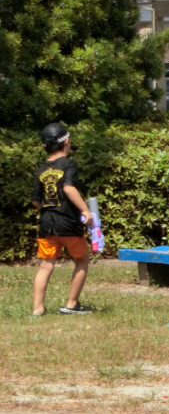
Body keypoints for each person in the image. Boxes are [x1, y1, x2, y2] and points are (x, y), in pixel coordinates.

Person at [31, 123, 94, 316]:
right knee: (82, 260)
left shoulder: (41, 169)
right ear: (66, 141)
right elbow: (68, 188)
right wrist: (85, 210)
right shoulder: (68, 164)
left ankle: (38, 308)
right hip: (68, 223)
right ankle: (72, 304)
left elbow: (35, 201)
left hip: (47, 224)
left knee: (45, 265)